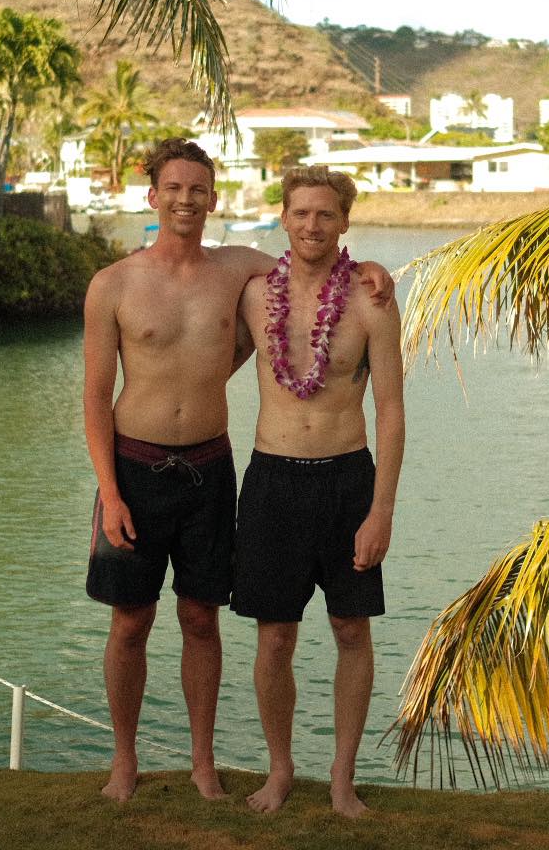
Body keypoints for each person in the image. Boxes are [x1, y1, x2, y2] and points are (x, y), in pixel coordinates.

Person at [81, 139, 391, 803]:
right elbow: (93, 399)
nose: (186, 200)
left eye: (198, 190)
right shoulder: (114, 284)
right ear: (152, 195)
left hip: (211, 469)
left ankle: (202, 764)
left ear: (214, 199)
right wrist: (108, 493)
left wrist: (366, 265)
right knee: (129, 624)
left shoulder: (240, 271)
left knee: (201, 619)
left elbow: (315, 260)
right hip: (134, 469)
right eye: (174, 188)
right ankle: (124, 761)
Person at [232, 165, 404, 818]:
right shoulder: (252, 294)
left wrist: (381, 509)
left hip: (346, 479)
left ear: (345, 222)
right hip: (272, 480)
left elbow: (390, 408)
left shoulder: (371, 299)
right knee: (274, 639)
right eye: (301, 213)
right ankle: (279, 771)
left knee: (350, 630)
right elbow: (200, 267)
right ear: (282, 217)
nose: (312, 225)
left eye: (325, 214)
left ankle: (341, 777)